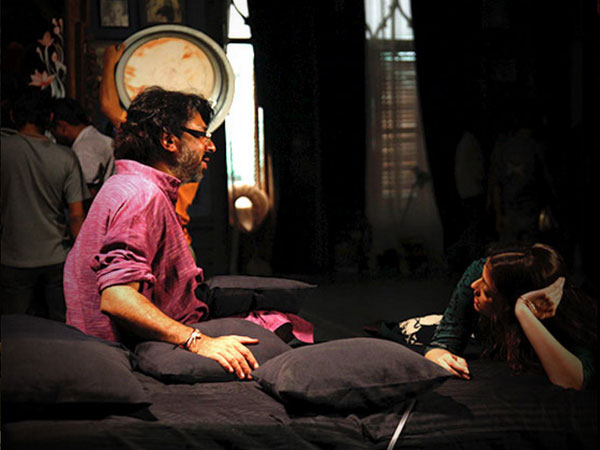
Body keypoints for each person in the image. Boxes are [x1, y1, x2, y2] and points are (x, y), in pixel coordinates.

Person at [425, 243, 597, 390]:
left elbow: (573, 381)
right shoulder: (481, 271)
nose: (474, 286)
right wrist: (439, 355)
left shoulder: (564, 318)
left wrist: (524, 312)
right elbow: (442, 343)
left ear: (508, 303)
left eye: (487, 291)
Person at [99, 43, 198, 251]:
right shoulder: (192, 141)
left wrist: (109, 62)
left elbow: (109, 106)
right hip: (176, 241)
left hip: (164, 244)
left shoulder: (161, 138)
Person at [1, 89, 88, 321]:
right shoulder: (66, 157)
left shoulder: (4, 150)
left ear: (13, 116)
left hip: (12, 257)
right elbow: (76, 215)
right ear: (50, 117)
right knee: (60, 327)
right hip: (56, 258)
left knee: (15, 329)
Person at [50, 97, 115, 198]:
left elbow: (88, 193)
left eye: (53, 130)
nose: (54, 136)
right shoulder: (95, 138)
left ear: (62, 126)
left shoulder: (83, 149)